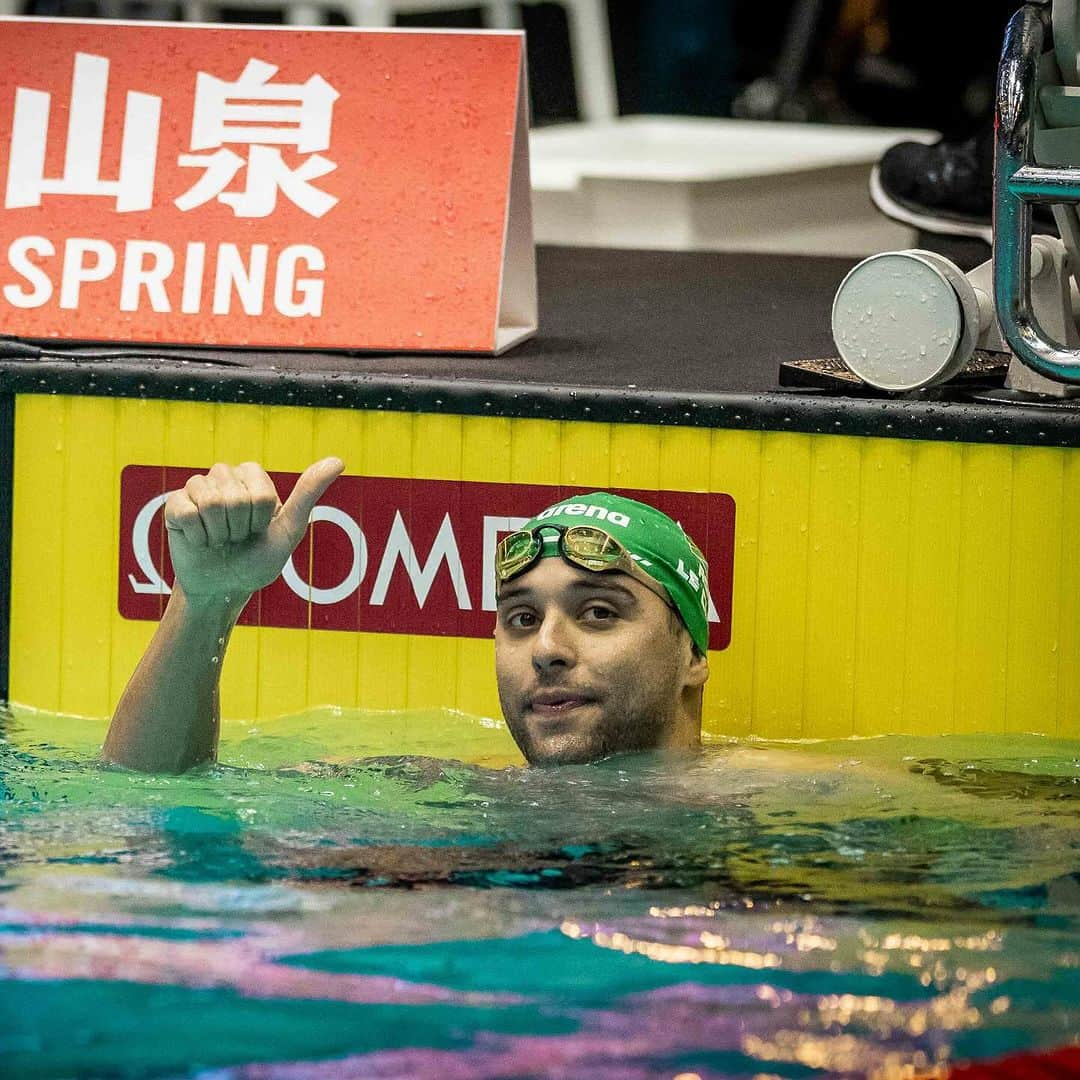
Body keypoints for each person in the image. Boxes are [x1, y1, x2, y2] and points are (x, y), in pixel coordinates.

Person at [102, 459, 711, 773]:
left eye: (599, 612)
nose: (548, 647)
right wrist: (205, 601)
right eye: (521, 619)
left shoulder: (779, 799)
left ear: (690, 654)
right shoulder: (440, 795)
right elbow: (148, 799)